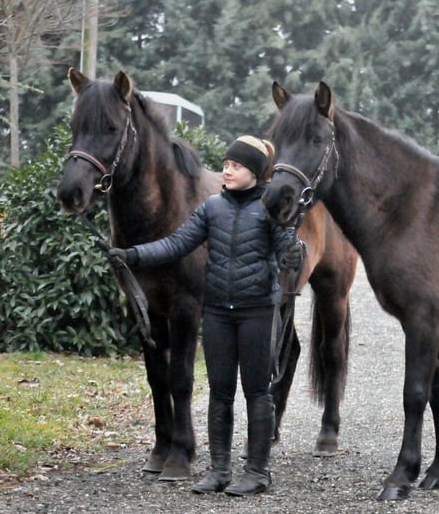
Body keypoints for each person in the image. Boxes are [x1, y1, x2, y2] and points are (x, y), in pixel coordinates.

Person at [109, 135, 304, 497]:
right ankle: (219, 470)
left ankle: (257, 471)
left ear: (257, 174)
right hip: (217, 312)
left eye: (237, 166)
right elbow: (176, 243)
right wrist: (132, 255)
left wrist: (293, 254)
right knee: (220, 392)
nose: (227, 170)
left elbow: (286, 251)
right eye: (227, 164)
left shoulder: (270, 210)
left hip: (257, 311)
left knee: (257, 391)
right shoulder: (211, 208)